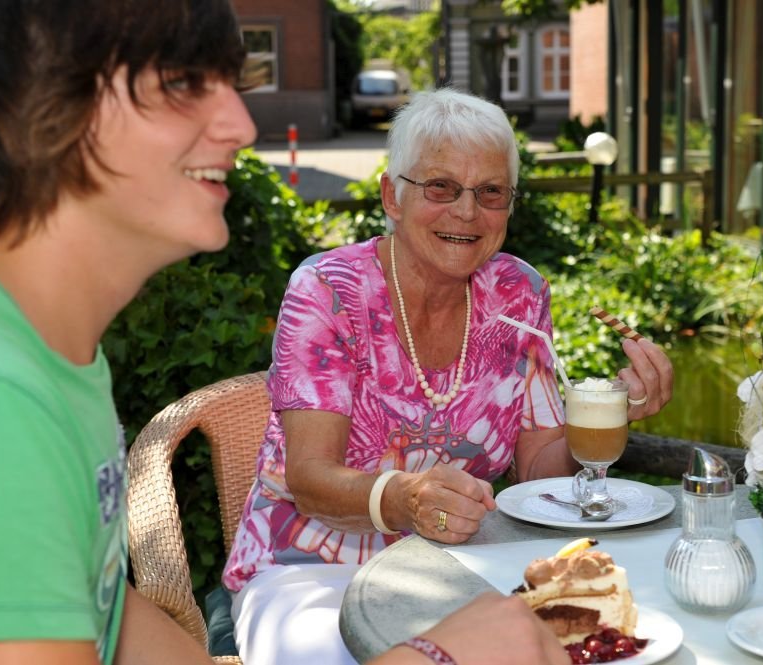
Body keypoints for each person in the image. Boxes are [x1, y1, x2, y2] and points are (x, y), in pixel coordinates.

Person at [0, 2, 570, 665]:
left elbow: (108, 617)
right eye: (184, 85)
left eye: (231, 84)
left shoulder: (50, 359)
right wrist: (436, 657)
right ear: (46, 110)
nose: (239, 123)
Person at [222, 88, 675, 664]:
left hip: (459, 566)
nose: (467, 212)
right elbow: (310, 479)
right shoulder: (329, 290)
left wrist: (611, 413)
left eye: (490, 192)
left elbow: (538, 469)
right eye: (440, 187)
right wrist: (405, 498)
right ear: (392, 195)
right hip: (309, 570)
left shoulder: (518, 292)